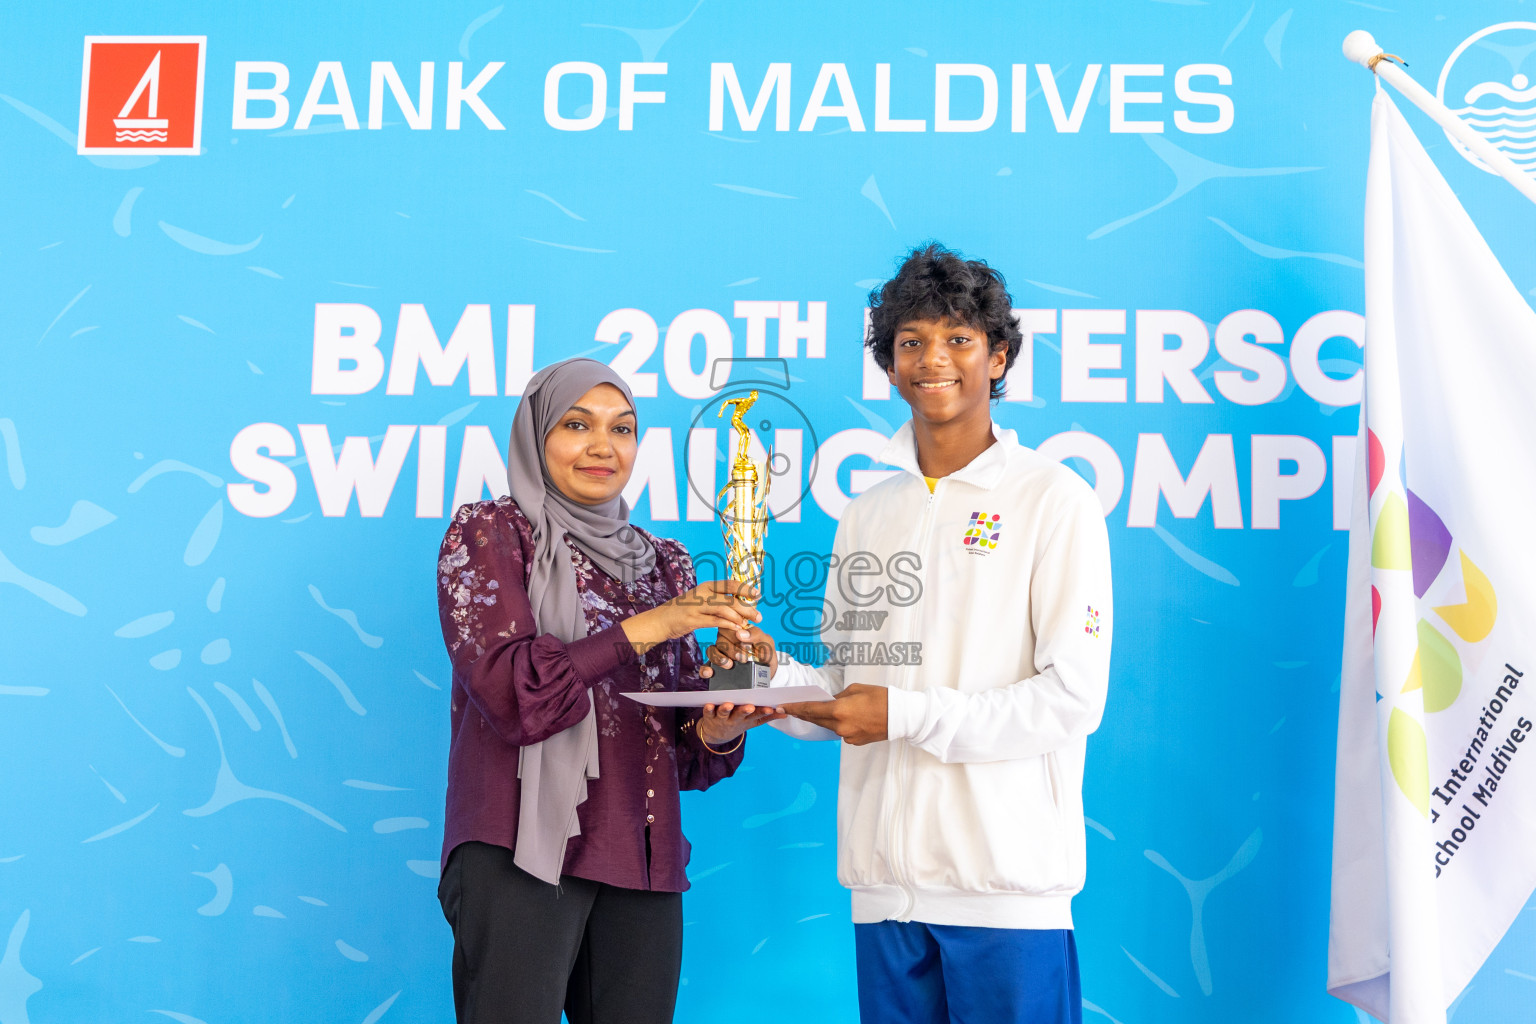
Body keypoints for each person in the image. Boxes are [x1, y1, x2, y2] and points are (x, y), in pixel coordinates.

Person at [711, 244, 1114, 1024]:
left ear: (998, 357)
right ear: (889, 366)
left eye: (959, 339)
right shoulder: (869, 512)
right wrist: (764, 681)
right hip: (882, 894)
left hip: (1005, 893)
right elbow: (842, 689)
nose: (935, 359)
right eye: (911, 342)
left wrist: (903, 715)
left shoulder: (1054, 502)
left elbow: (1070, 700)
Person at [435, 357, 783, 1024]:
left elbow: (679, 750)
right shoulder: (490, 535)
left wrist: (724, 718)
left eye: (622, 430)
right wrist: (648, 627)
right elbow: (513, 693)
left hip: (640, 853)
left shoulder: (664, 561)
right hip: (519, 849)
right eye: (576, 424)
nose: (604, 446)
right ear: (537, 436)